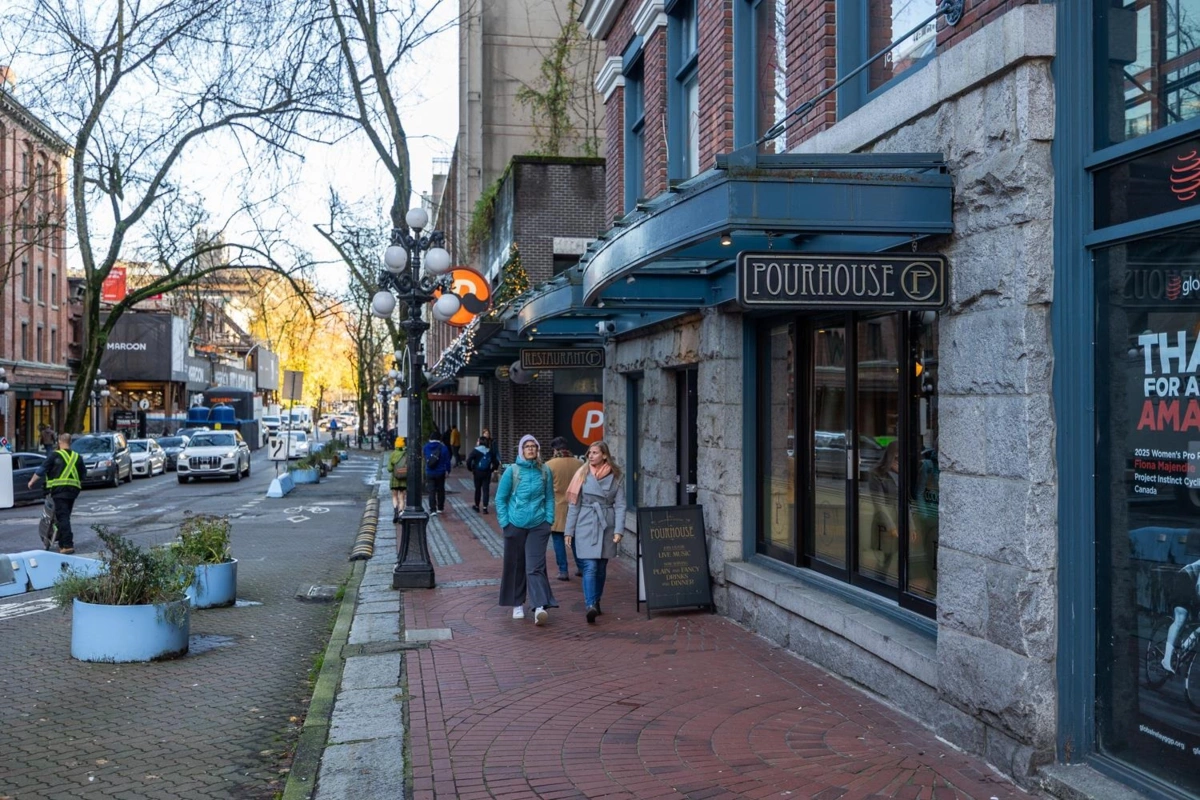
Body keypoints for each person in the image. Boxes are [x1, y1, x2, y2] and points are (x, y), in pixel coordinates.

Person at [496, 435, 557, 625]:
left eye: (534, 446)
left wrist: (549, 520)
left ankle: (539, 606)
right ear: (521, 450)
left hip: (538, 525)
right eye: (527, 446)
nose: (531, 449)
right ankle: (517, 604)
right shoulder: (512, 471)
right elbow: (500, 499)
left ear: (537, 450)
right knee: (516, 565)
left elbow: (550, 497)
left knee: (535, 566)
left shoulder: (544, 471)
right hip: (515, 525)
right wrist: (505, 523)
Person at [564, 440, 626, 624]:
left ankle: (596, 600)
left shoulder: (616, 476)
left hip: (606, 524)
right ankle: (590, 604)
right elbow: (574, 505)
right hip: (585, 523)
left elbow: (621, 505)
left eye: (595, 453)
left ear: (604, 455)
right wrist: (569, 531)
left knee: (600, 568)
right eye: (589, 453)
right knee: (590, 566)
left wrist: (619, 530)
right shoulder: (582, 473)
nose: (590, 456)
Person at [28, 432, 86, 554]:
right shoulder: (77, 457)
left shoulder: (54, 455)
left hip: (59, 491)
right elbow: (83, 475)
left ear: (59, 442)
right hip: (73, 491)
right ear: (70, 442)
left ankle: (68, 545)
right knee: (64, 516)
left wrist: (31, 482)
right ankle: (62, 543)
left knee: (62, 517)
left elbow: (42, 470)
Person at [546, 436, 582, 581]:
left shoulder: (549, 465)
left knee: (558, 540)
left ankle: (563, 570)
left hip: (557, 507)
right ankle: (581, 567)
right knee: (575, 540)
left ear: (555, 450)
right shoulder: (579, 464)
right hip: (576, 506)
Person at [867, 441, 901, 579]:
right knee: (885, 557)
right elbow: (879, 503)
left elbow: (905, 501)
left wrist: (911, 525)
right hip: (885, 521)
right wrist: (890, 526)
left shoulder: (902, 473)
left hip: (899, 518)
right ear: (891, 456)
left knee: (901, 557)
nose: (898, 461)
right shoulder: (877, 473)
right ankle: (879, 582)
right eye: (896, 458)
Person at [1161, 557, 1200, 673]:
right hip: (1185, 577)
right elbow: (1199, 586)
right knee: (1181, 617)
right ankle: (1166, 659)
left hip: (1195, 586)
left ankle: (1184, 647)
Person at [422, 431, 452, 516]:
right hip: (440, 472)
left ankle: (432, 510)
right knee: (441, 489)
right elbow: (447, 461)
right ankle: (440, 507)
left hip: (430, 471)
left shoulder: (426, 447)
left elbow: (424, 458)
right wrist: (448, 470)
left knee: (431, 491)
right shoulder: (444, 448)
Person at [466, 435, 498, 513]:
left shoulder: (475, 450)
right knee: (486, 490)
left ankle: (477, 506)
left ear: (480, 442)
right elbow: (496, 462)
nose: (477, 442)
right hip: (487, 473)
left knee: (478, 489)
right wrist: (492, 470)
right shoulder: (490, 451)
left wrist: (470, 469)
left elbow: (468, 460)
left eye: (478, 440)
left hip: (477, 472)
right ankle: (485, 508)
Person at [386, 436, 408, 524]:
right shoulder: (406, 454)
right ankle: (401, 513)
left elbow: (389, 469)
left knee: (394, 496)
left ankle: (395, 511)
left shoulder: (393, 454)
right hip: (404, 479)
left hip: (395, 479)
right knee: (402, 497)